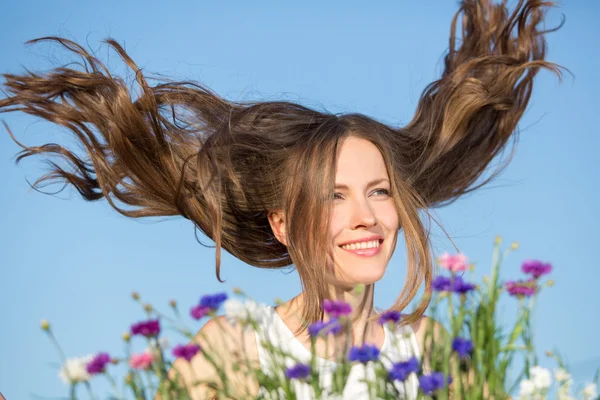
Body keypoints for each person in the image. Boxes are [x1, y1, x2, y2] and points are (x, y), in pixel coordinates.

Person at [0, 0, 561, 398]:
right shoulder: (235, 347)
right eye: (334, 196)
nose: (364, 217)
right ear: (284, 224)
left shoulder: (431, 352)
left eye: (379, 191)